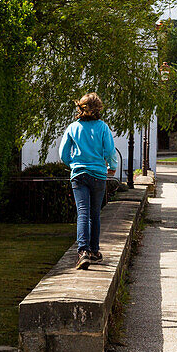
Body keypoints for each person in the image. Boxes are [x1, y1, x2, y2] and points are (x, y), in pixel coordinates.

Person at [60, 92, 117, 270]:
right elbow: (109, 150)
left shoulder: (72, 128)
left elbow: (63, 154)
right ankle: (94, 251)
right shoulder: (103, 127)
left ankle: (82, 252)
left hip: (79, 175)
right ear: (98, 109)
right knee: (94, 214)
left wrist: (74, 165)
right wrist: (112, 166)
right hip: (98, 175)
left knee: (82, 213)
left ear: (80, 108)